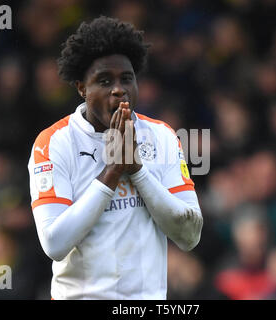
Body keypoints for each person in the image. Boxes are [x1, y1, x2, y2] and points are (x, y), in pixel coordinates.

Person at [27, 16, 203, 300]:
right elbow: (54, 243)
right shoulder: (53, 143)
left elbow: (190, 235)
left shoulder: (162, 136)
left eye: (127, 79)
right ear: (82, 88)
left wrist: (137, 171)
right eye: (104, 80)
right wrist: (112, 171)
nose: (118, 89)